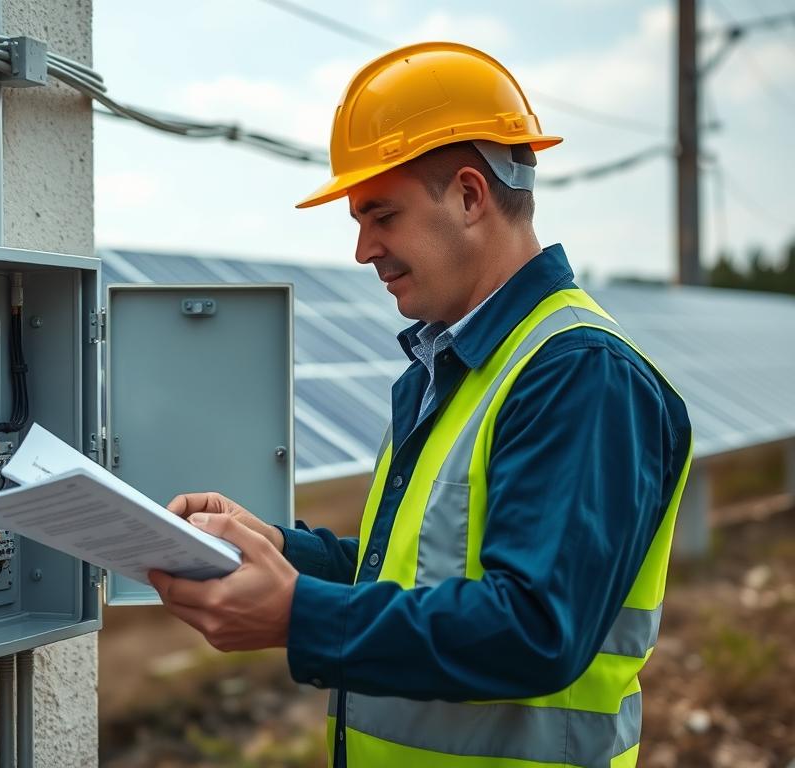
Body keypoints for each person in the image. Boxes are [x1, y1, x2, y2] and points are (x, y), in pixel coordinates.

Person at [149, 42, 692, 768]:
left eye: (381, 215)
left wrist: (296, 612)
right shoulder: (454, 368)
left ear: (470, 196)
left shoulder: (578, 373)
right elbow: (417, 578)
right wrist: (284, 552)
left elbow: (535, 627)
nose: (363, 248)